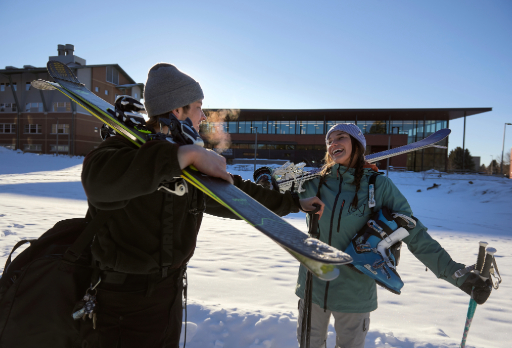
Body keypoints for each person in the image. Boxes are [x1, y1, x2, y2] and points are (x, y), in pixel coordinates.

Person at [80, 62, 324, 348]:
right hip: (123, 300)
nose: (204, 115)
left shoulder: (190, 165)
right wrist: (185, 156)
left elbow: (237, 195)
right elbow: (98, 181)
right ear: (176, 110)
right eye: (197, 106)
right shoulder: (124, 149)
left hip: (168, 293)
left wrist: (295, 202)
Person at [295, 123, 491, 348]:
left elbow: (413, 233)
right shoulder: (313, 183)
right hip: (312, 288)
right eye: (330, 141)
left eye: (341, 137)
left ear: (357, 144)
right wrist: (266, 178)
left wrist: (458, 276)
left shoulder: (378, 186)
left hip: (354, 291)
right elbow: (273, 196)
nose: (334, 143)